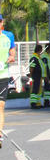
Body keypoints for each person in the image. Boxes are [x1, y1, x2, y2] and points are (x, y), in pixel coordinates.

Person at [0, 13, 16, 148]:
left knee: (0, 106)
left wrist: (10, 58)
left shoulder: (8, 36)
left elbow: (12, 54)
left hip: (3, 76)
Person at [29, 43, 44, 108]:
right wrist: (31, 75)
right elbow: (31, 68)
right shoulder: (34, 58)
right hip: (36, 76)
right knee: (35, 90)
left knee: (37, 89)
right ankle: (33, 103)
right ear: (39, 50)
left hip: (39, 76)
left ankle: (37, 103)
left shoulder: (38, 57)